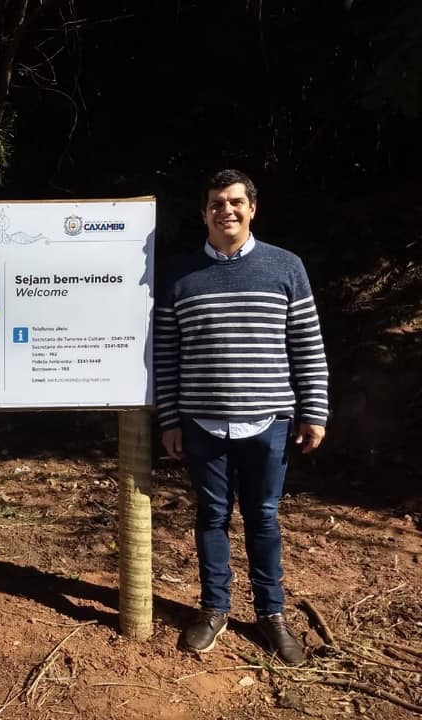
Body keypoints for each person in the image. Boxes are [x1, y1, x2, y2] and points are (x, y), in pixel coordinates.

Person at [154, 169, 328, 665]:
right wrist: (170, 419)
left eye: (235, 202)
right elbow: (166, 354)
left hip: (268, 422)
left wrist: (314, 410)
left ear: (252, 208)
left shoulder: (286, 267)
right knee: (211, 517)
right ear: (203, 213)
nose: (225, 210)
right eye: (216, 203)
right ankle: (214, 609)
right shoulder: (179, 275)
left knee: (263, 517)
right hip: (201, 423)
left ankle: (271, 614)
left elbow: (307, 345)